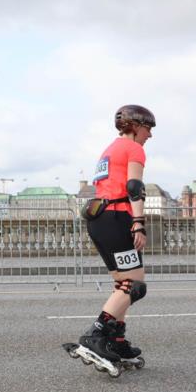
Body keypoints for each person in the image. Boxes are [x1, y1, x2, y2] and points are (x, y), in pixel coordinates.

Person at [79, 105, 155, 364]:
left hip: (99, 219)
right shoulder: (134, 148)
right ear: (135, 126)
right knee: (135, 285)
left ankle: (116, 340)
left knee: (123, 283)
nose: (150, 135)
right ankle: (96, 335)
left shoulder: (109, 150)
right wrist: (138, 223)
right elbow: (134, 186)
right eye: (148, 128)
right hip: (117, 218)